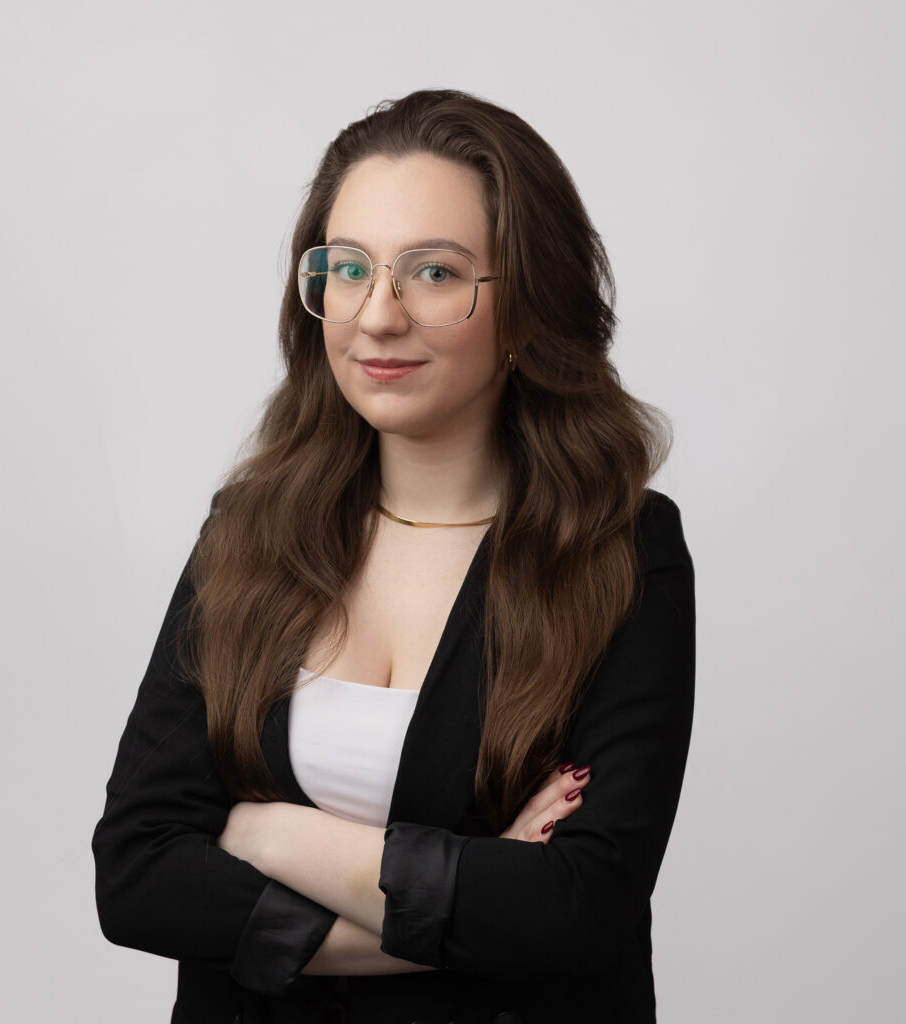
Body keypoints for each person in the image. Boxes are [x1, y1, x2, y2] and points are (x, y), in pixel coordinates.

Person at [92, 89, 695, 1024]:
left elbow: (579, 912)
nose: (377, 316)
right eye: (348, 269)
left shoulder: (620, 551)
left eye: (435, 273)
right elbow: (135, 875)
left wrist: (268, 834)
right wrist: (469, 899)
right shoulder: (248, 531)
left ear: (527, 306)